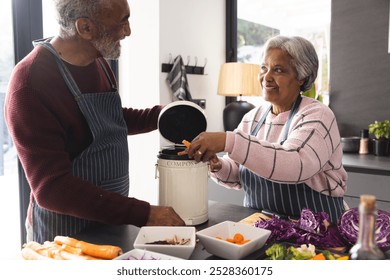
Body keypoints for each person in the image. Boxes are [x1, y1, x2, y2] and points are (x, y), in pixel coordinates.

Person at [5, 0, 184, 244]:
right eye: (122, 21)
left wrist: (166, 115)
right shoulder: (30, 84)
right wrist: (145, 213)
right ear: (85, 28)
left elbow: (109, 119)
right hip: (64, 238)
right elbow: (52, 188)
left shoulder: (98, 60)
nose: (128, 31)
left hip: (108, 224)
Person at [186, 35, 347, 224]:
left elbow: (296, 165)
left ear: (301, 77)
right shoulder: (252, 118)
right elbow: (237, 174)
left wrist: (228, 140)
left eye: (278, 70)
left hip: (318, 232)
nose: (266, 77)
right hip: (260, 227)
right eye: (264, 68)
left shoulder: (317, 115)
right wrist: (218, 165)